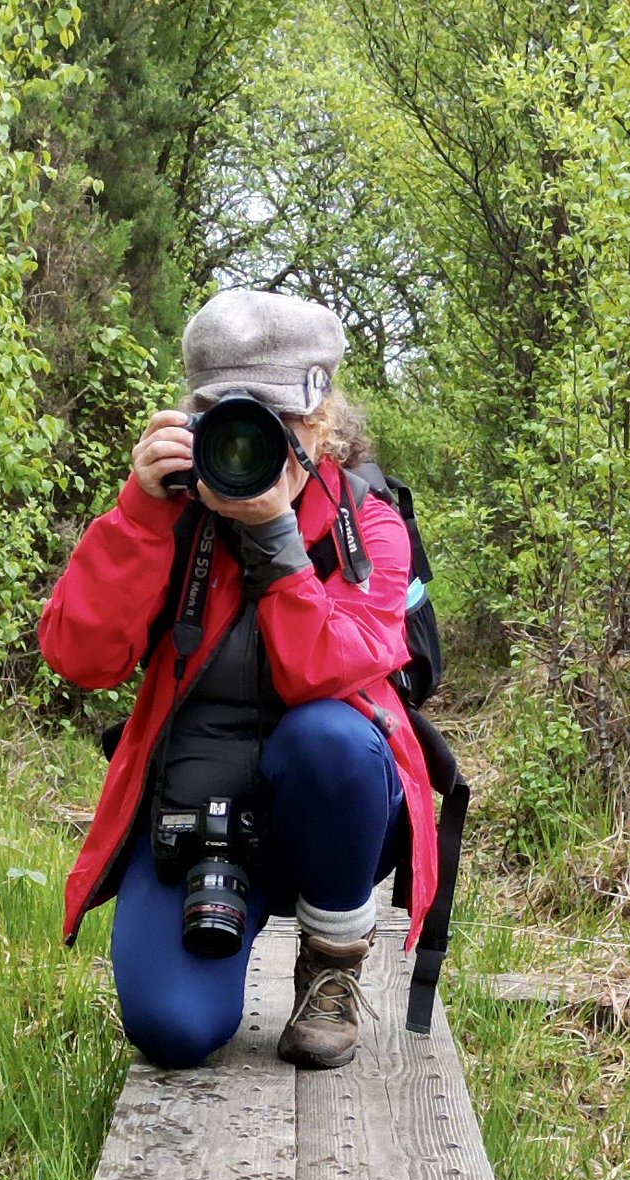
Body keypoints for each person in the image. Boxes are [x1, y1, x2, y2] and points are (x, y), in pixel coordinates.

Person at [39, 289, 438, 1070]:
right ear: (193, 419)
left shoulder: (369, 526)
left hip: (335, 807)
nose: (249, 445)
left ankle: (331, 957)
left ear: (319, 423)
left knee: (329, 735)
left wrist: (273, 537)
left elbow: (326, 670)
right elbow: (79, 659)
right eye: (229, 419)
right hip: (199, 812)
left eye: (276, 425)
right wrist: (137, 518)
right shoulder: (172, 515)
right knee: (176, 1032)